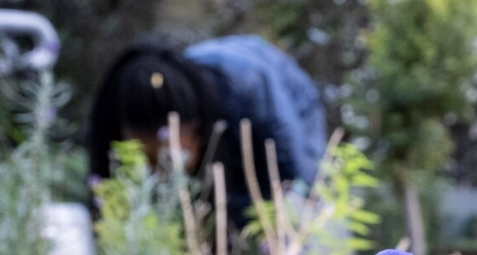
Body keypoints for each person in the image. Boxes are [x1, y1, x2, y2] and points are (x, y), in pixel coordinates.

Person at [88, 36, 327, 230]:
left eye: (166, 162)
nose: (158, 176)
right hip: (232, 104)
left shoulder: (249, 88)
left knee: (291, 205)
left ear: (196, 131)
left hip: (291, 101)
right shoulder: (171, 95)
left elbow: (293, 171)